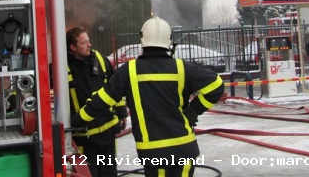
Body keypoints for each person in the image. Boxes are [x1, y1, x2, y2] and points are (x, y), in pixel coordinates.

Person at [72, 17, 224, 177]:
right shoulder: (181, 68)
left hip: (154, 153)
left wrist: (75, 122)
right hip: (185, 150)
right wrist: (194, 110)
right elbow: (216, 85)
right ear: (169, 40)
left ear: (142, 38)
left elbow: (100, 102)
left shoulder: (129, 71)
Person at [66, 26, 128, 177]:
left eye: (89, 41)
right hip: (83, 137)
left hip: (108, 131)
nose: (89, 45)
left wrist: (122, 113)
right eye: (84, 43)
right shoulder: (62, 67)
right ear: (73, 47)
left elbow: (115, 88)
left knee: (109, 173)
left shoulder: (100, 59)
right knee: (89, 174)